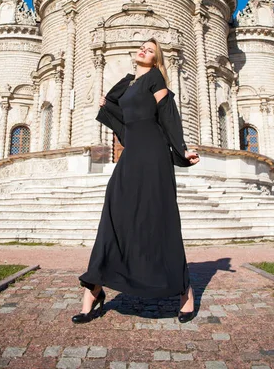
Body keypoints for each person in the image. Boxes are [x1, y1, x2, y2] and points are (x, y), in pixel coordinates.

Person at [72, 38, 200, 325]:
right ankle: (94, 286)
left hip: (154, 157)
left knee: (160, 221)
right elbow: (115, 109)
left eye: (150, 50)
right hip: (130, 158)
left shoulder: (155, 78)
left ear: (156, 60)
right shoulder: (129, 82)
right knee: (113, 217)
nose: (143, 50)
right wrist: (109, 101)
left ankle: (184, 291)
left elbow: (167, 114)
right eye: (142, 47)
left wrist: (181, 149)